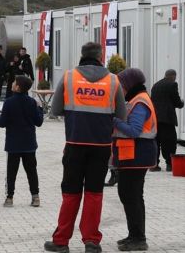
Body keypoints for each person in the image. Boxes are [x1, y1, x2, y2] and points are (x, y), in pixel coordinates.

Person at [44, 43, 126, 253]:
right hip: (101, 146)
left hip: (75, 144)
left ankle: (61, 241)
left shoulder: (69, 77)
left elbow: (55, 110)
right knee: (94, 193)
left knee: (70, 193)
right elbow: (122, 115)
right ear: (101, 57)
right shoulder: (114, 80)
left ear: (82, 56)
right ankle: (91, 241)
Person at [111, 68, 158, 252]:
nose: (120, 88)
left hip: (138, 155)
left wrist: (114, 120)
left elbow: (134, 130)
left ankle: (138, 238)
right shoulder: (134, 99)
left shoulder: (140, 102)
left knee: (131, 196)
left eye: (122, 85)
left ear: (130, 84)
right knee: (131, 196)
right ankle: (135, 235)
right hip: (131, 155)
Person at [0, 75, 43, 208]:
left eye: (14, 82)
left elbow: (2, 123)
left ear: (17, 87)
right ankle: (35, 197)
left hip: (13, 144)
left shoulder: (9, 102)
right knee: (31, 171)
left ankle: (9, 198)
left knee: (11, 172)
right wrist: (40, 108)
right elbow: (39, 122)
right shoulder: (31, 102)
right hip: (29, 144)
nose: (12, 83)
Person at [150, 69, 184, 172]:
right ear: (173, 76)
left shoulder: (155, 85)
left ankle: (154, 164)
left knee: (156, 141)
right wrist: (181, 103)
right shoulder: (172, 85)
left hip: (155, 118)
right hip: (167, 119)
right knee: (169, 142)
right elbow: (176, 101)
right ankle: (170, 164)